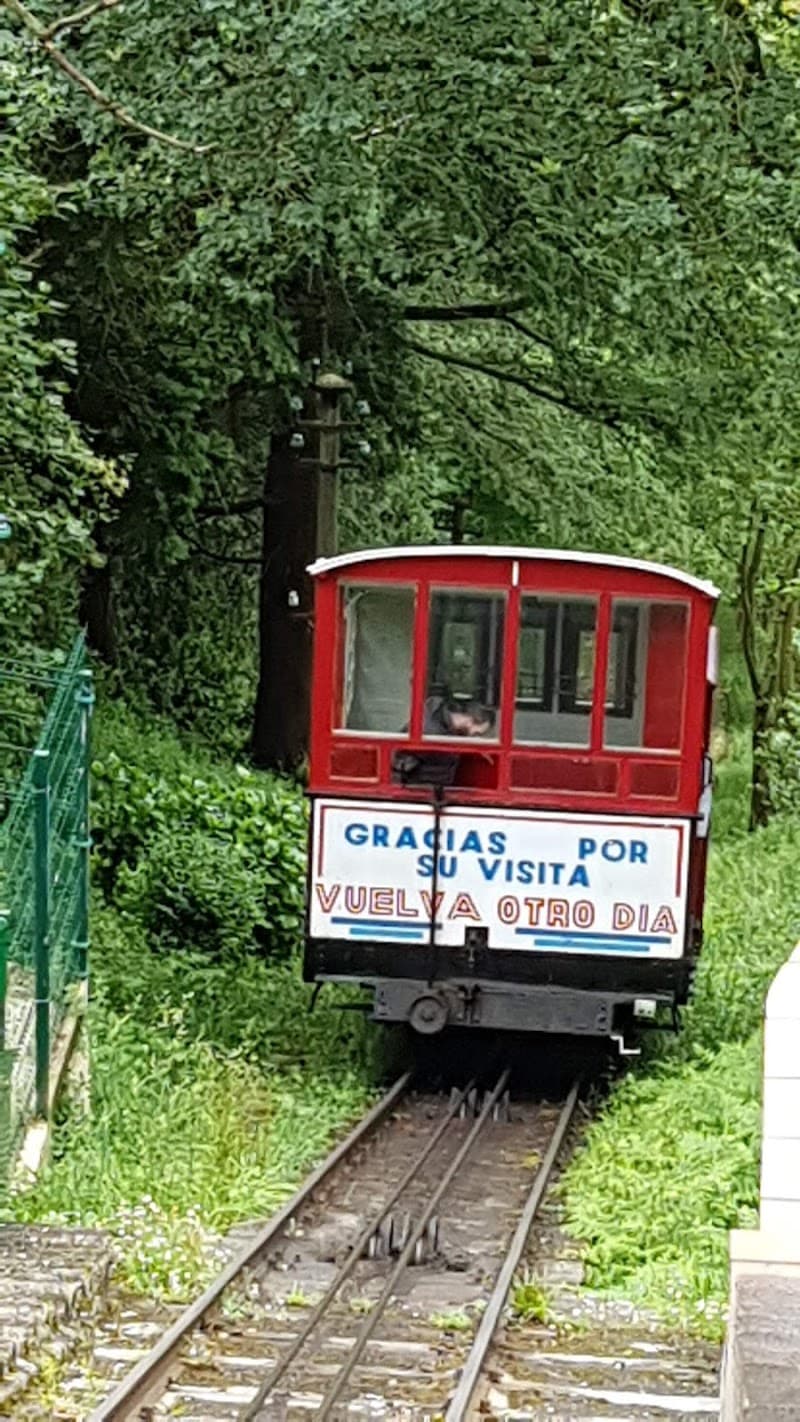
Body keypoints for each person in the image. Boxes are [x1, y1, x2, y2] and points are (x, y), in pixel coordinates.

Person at [393, 696, 494, 787]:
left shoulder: (439, 719)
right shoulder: (432, 730)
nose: (473, 735)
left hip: (425, 783)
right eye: (477, 732)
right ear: (471, 720)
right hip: (417, 785)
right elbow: (442, 755)